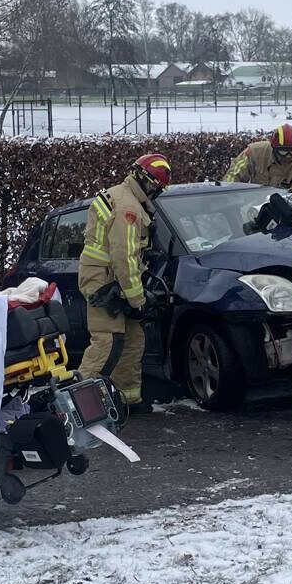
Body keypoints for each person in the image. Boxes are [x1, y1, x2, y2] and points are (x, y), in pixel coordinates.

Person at [77, 153, 172, 415]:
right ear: (148, 182)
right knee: (107, 341)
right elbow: (124, 258)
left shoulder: (126, 197)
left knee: (132, 340)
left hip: (113, 278)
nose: (156, 194)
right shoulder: (128, 208)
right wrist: (138, 300)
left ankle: (128, 398)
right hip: (103, 280)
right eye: (157, 188)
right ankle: (77, 405)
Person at [224, 123, 292, 189]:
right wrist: (228, 193)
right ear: (273, 147)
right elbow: (233, 175)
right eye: (283, 152)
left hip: (282, 210)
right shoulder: (254, 151)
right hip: (250, 202)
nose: (288, 156)